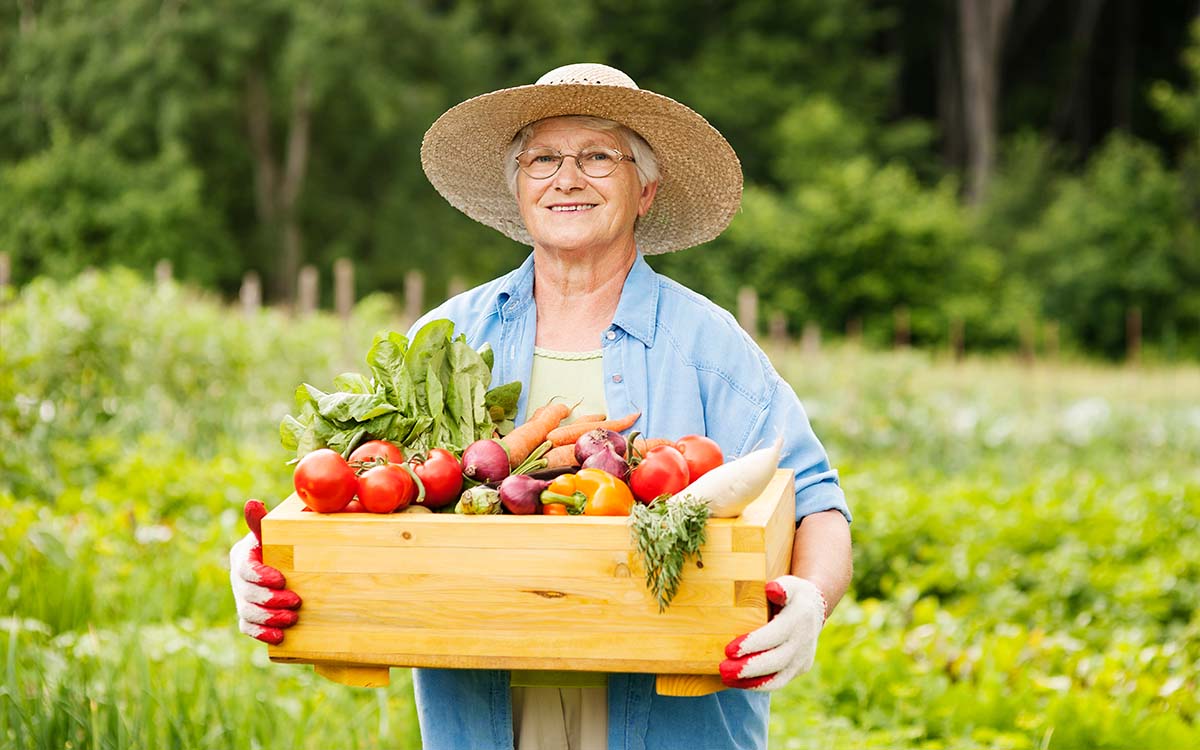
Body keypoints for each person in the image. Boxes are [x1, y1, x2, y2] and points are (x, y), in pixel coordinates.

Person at [230, 63, 852, 750]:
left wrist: (809, 601)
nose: (567, 178)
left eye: (597, 157)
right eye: (543, 159)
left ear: (645, 189)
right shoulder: (451, 338)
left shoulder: (709, 347)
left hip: (672, 723)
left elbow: (818, 504)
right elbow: (355, 488)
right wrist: (263, 560)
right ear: (518, 190)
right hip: (487, 718)